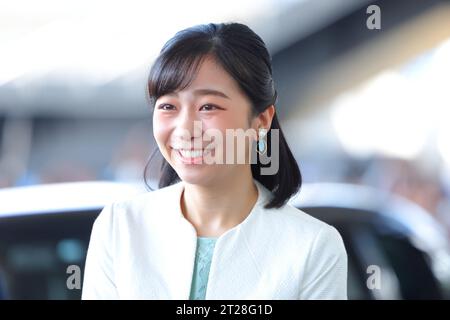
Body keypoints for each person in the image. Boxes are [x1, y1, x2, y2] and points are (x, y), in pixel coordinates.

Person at [82, 22, 347, 300]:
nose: (186, 129)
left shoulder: (313, 246)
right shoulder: (119, 227)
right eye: (168, 107)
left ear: (261, 121)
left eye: (208, 106)